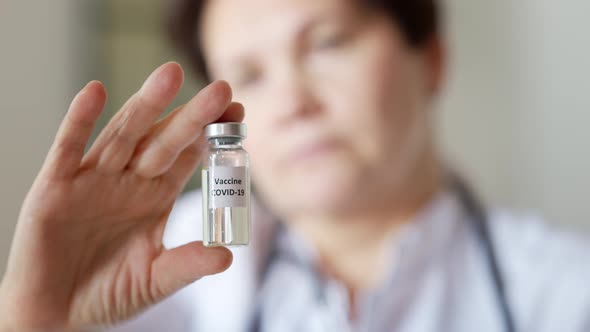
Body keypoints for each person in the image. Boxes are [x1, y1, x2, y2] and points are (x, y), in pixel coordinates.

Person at [1, 0, 589, 331]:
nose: (292, 104)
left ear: (431, 58)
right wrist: (37, 320)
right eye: (250, 76)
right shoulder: (164, 276)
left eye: (329, 43)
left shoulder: (566, 294)